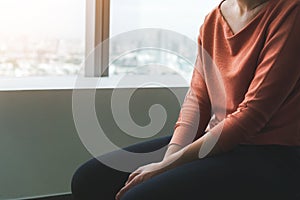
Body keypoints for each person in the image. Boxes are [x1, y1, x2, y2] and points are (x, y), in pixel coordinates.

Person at [71, 0, 300, 199]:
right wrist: (170, 159)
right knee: (89, 179)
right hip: (217, 141)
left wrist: (168, 166)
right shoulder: (213, 19)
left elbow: (252, 114)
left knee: (141, 196)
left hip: (272, 152)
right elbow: (198, 99)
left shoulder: (291, 12)